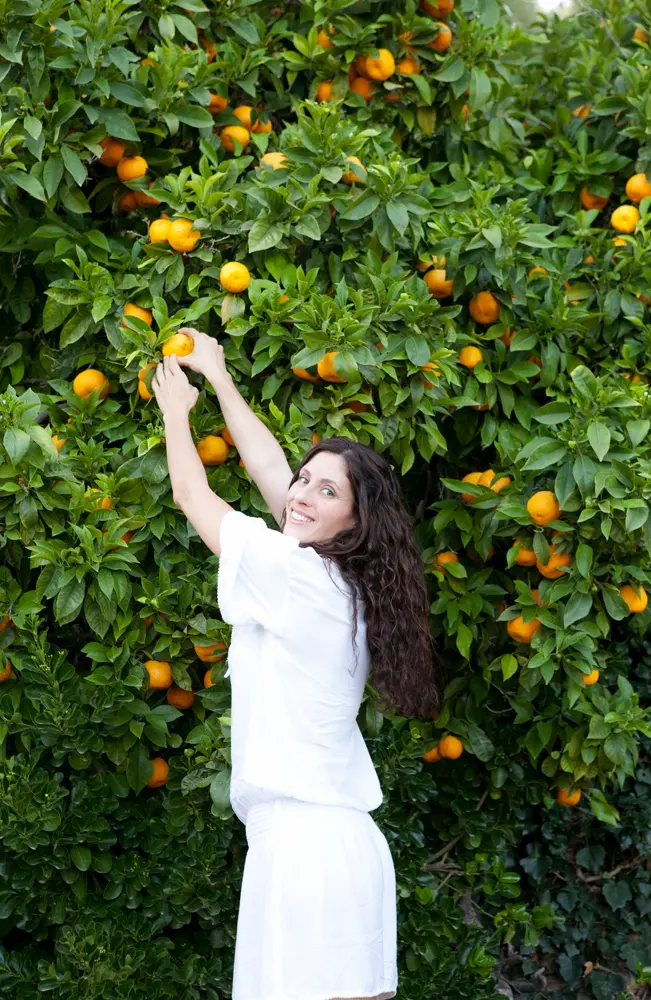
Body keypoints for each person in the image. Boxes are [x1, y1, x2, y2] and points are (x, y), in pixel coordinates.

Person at [151, 328, 441, 1000]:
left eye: (325, 492)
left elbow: (195, 499)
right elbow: (268, 468)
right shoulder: (345, 587)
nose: (302, 494)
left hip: (305, 850)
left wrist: (175, 413)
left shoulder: (297, 579)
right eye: (303, 481)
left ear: (354, 521)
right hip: (341, 848)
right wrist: (220, 378)